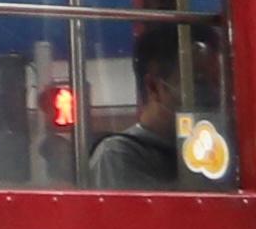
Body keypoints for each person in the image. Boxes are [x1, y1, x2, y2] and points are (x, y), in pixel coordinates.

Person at [88, 25, 212, 189]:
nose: (213, 95)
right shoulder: (118, 155)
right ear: (154, 87)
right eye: (199, 84)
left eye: (219, 85)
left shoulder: (209, 149)